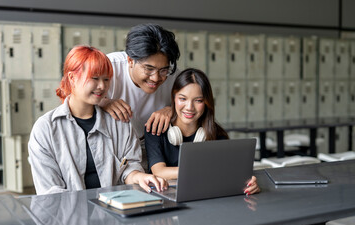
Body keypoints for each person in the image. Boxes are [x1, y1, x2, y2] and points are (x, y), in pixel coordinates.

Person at [28, 45, 167, 195]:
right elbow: (50, 190)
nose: (102, 86)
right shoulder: (45, 129)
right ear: (72, 78)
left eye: (106, 79)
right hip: (67, 214)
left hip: (114, 211)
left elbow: (129, 168)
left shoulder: (119, 123)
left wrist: (139, 177)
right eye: (94, 78)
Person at [145, 68, 260, 195]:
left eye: (198, 100)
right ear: (174, 98)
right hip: (164, 197)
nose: (189, 107)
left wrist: (248, 182)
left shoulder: (216, 134)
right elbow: (159, 172)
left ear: (206, 103)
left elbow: (228, 172)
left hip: (204, 197)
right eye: (182, 99)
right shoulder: (156, 128)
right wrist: (205, 171)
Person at [100, 23, 180, 171]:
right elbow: (72, 100)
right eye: (149, 69)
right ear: (130, 60)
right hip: (113, 150)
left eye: (163, 70)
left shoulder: (174, 75)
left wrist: (173, 109)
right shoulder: (108, 67)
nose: (156, 78)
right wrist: (103, 102)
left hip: (153, 150)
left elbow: (195, 107)